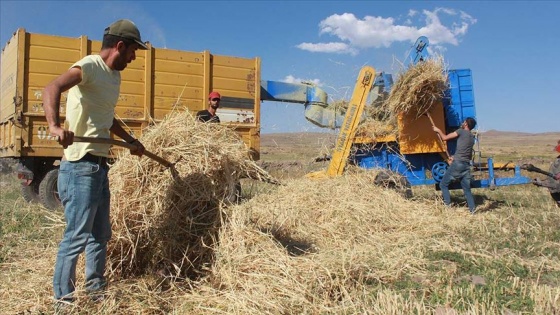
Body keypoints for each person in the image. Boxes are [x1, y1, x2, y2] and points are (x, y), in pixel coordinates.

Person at [42, 19, 148, 306]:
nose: (134, 57)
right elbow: (52, 87)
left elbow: (106, 118)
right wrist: (54, 126)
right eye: (132, 51)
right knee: (76, 237)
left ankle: (95, 289)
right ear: (120, 46)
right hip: (79, 166)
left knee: (100, 234)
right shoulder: (89, 66)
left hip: (99, 165)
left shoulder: (114, 77)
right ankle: (63, 301)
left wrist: (130, 141)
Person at [432, 117, 477, 213]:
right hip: (466, 165)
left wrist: (438, 130)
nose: (462, 123)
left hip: (458, 164)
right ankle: (472, 211)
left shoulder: (460, 131)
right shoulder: (472, 138)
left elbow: (444, 138)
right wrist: (454, 157)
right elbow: (467, 155)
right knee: (467, 190)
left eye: (464, 121)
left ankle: (447, 208)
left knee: (443, 184)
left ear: (466, 124)